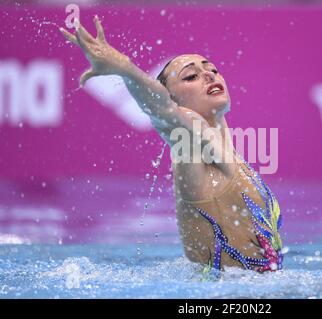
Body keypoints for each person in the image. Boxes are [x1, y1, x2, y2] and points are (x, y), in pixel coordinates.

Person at [60, 16, 283, 274]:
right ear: (175, 100)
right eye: (191, 76)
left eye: (211, 68)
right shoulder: (190, 145)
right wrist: (125, 68)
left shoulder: (225, 149)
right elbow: (163, 111)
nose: (208, 75)